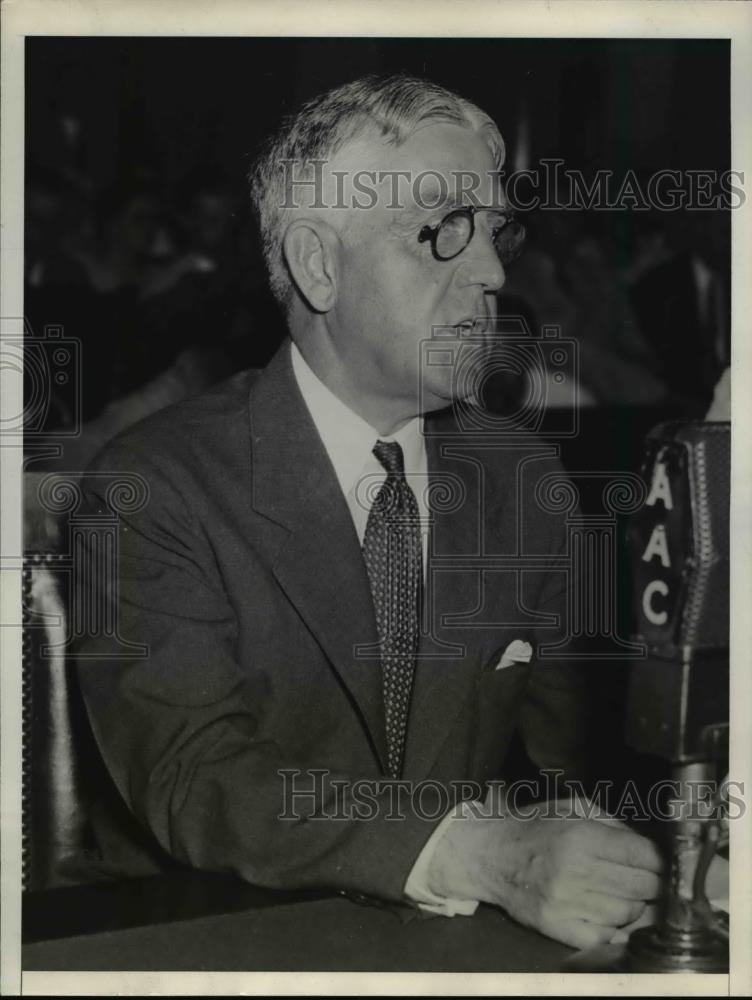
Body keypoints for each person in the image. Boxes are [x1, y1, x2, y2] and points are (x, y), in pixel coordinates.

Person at [76, 75, 663, 952]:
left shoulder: (522, 478)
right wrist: (483, 854)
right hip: (206, 941)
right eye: (443, 230)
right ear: (319, 264)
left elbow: (565, 759)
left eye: (495, 229)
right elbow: (196, 776)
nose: (495, 270)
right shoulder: (151, 486)